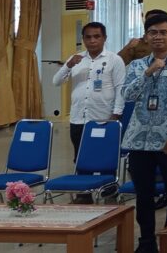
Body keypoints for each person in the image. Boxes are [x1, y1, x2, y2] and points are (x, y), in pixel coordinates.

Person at [121, 14, 167, 253]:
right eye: (153, 32)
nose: (158, 37)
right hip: (139, 141)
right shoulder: (137, 65)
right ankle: (146, 242)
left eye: (163, 32)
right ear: (146, 36)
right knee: (144, 196)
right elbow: (127, 95)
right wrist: (148, 73)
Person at [52, 22, 125, 204]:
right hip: (78, 118)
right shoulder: (76, 59)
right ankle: (84, 193)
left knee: (105, 157)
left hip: (103, 118)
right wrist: (68, 65)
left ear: (104, 38)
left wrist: (116, 115)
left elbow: (121, 88)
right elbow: (56, 81)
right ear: (83, 39)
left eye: (96, 36)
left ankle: (109, 191)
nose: (92, 41)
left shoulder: (114, 60)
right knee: (80, 156)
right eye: (88, 37)